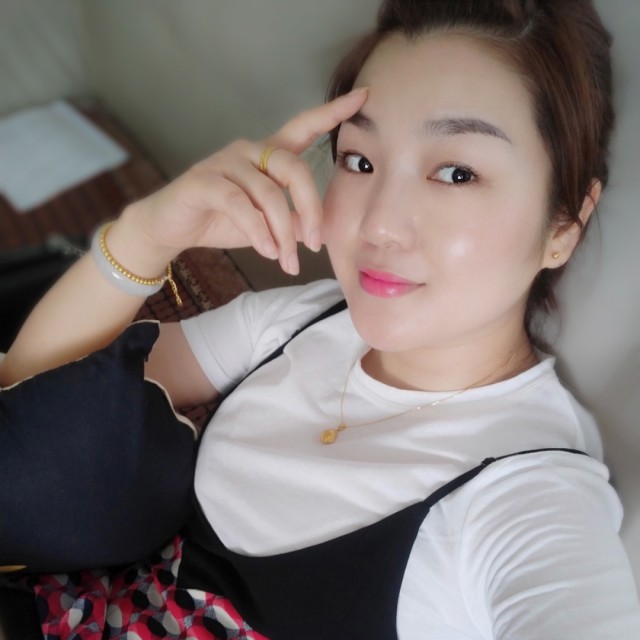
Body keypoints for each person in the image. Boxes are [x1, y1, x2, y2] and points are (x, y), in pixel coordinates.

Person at [1, 0, 640, 637]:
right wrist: (146, 237)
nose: (379, 224)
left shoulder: (531, 497)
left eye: (456, 173)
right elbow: (32, 415)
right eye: (360, 160)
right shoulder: (307, 322)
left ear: (565, 224)